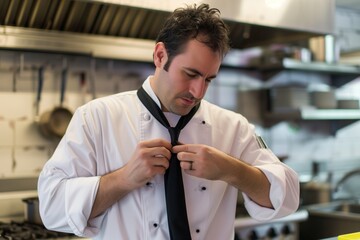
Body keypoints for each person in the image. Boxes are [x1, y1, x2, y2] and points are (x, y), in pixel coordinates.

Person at [38, 3, 299, 240]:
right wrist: (123, 179)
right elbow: (51, 207)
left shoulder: (232, 127)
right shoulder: (97, 118)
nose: (198, 92)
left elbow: (287, 197)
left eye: (208, 79)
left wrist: (231, 170)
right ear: (160, 56)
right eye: (190, 74)